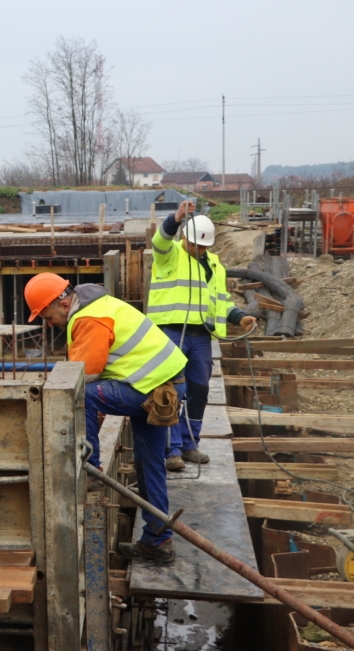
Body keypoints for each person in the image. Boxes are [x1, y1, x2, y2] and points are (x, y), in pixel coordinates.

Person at [25, 272, 186, 565]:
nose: (48, 324)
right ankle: (158, 541)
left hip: (149, 387)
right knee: (149, 464)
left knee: (81, 394)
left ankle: (91, 469)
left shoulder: (88, 318)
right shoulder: (99, 303)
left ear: (62, 303)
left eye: (47, 317)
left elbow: (82, 377)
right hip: (162, 385)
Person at [149, 200, 256, 471]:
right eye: (194, 245)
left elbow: (220, 301)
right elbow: (160, 239)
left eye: (203, 247)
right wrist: (176, 217)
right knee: (171, 390)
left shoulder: (215, 266)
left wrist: (239, 317)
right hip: (170, 332)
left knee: (199, 389)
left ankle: (189, 445)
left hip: (201, 336)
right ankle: (170, 450)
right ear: (185, 237)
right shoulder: (169, 254)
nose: (198, 250)